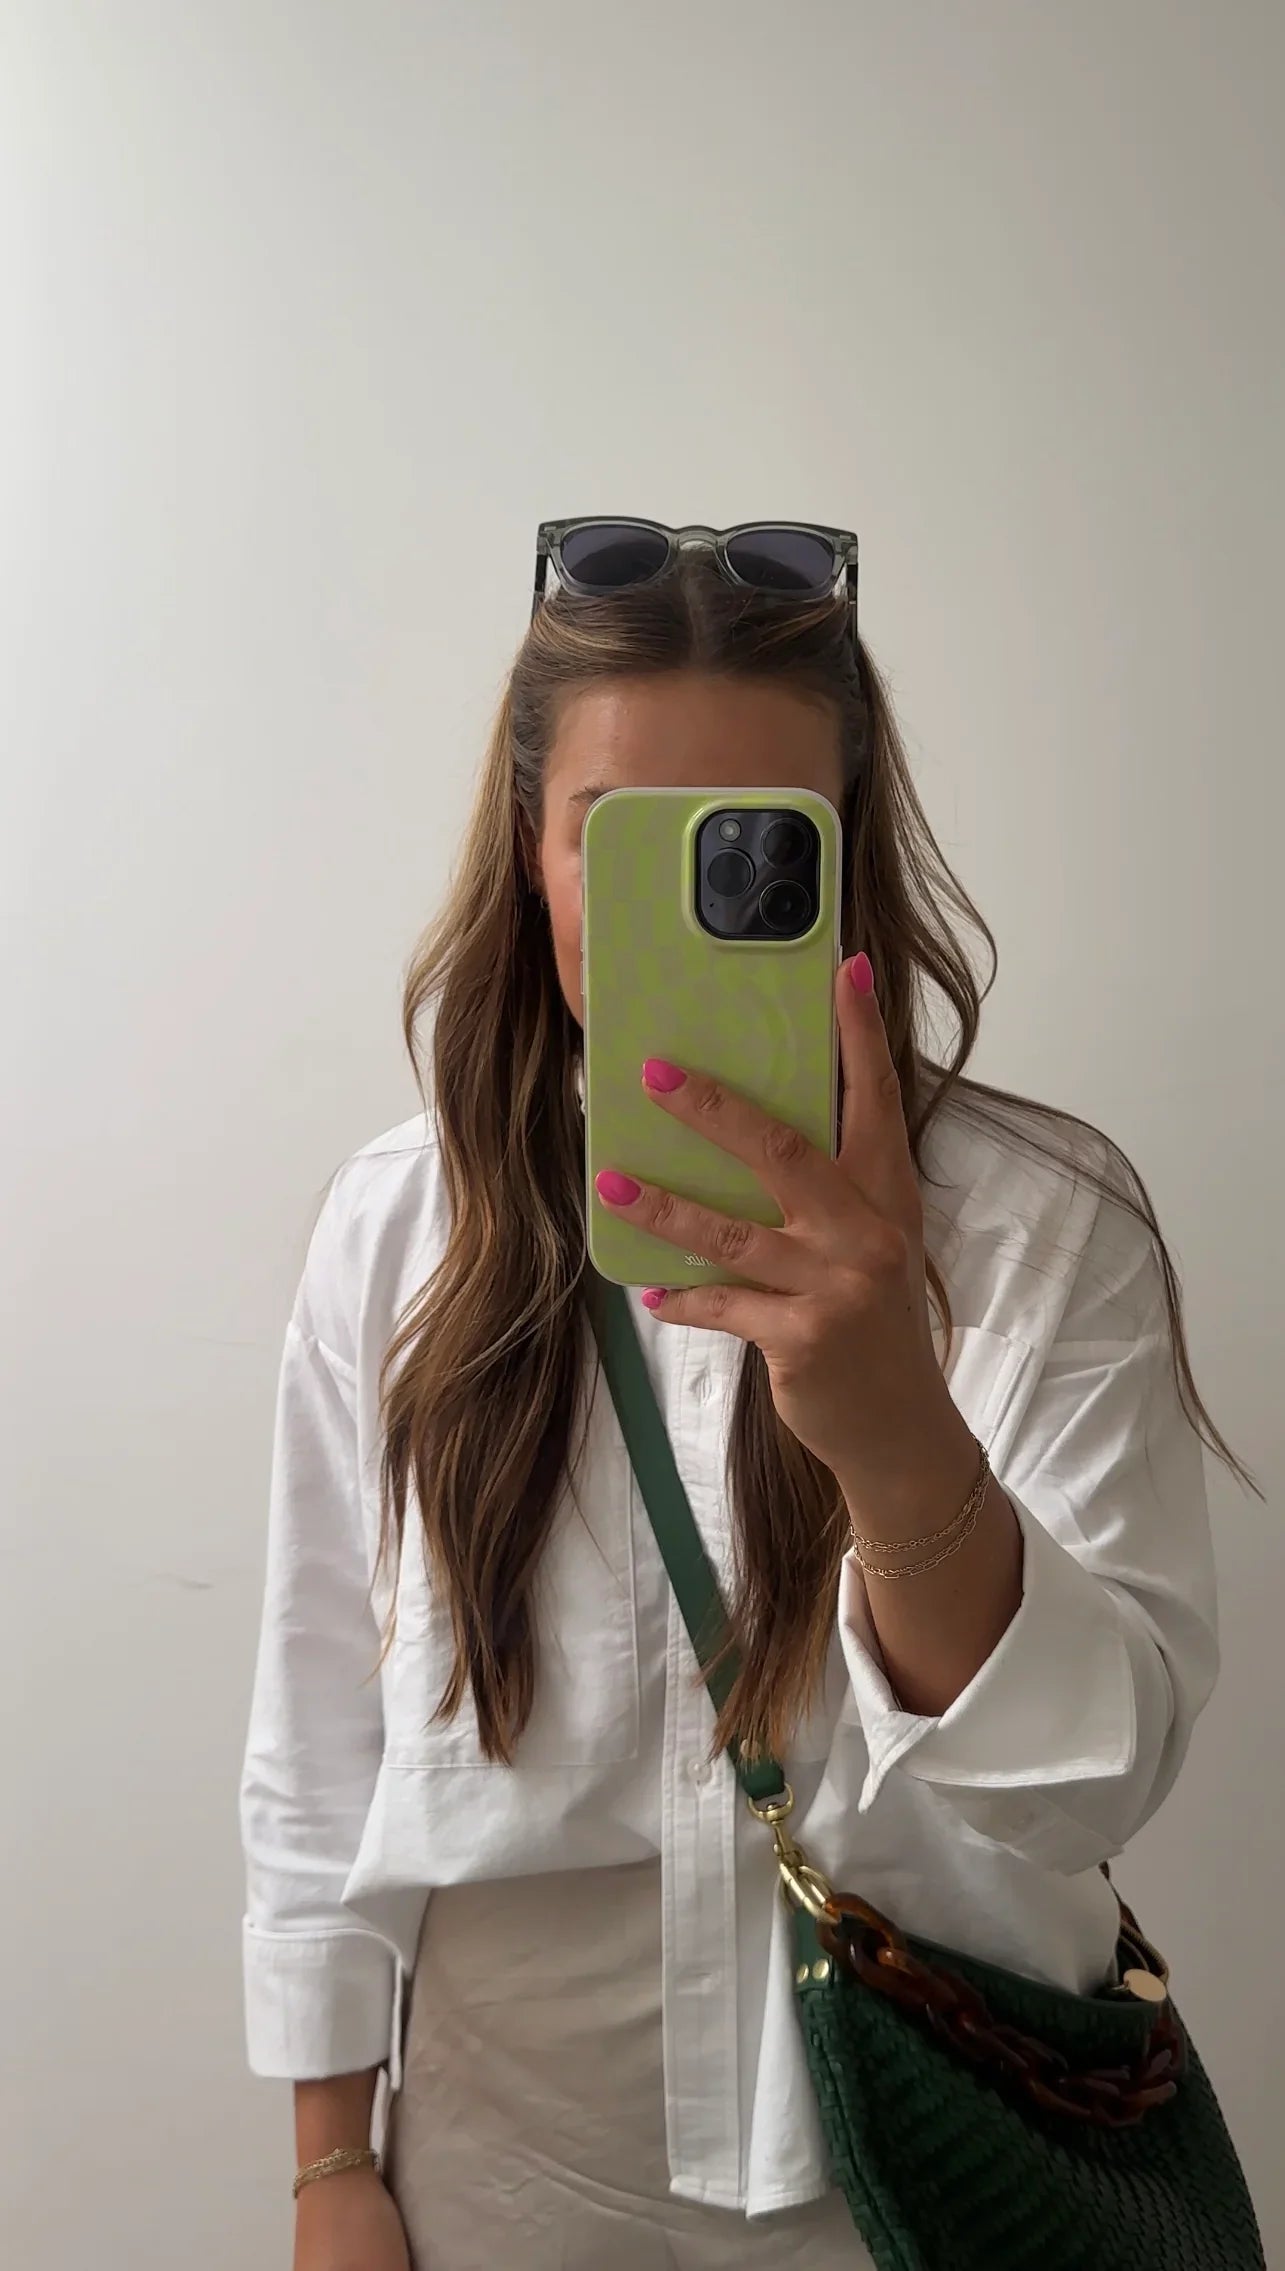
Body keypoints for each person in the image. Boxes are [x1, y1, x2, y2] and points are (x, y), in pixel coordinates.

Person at [241, 523, 1237, 2271]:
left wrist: (894, 1431)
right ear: (532, 849)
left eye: (763, 843)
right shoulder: (401, 1230)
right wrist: (330, 2166)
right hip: (512, 2170)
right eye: (623, 837)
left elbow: (1084, 1792)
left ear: (843, 858)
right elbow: (316, 1726)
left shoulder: (1039, 1228)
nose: (696, 899)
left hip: (941, 2154)